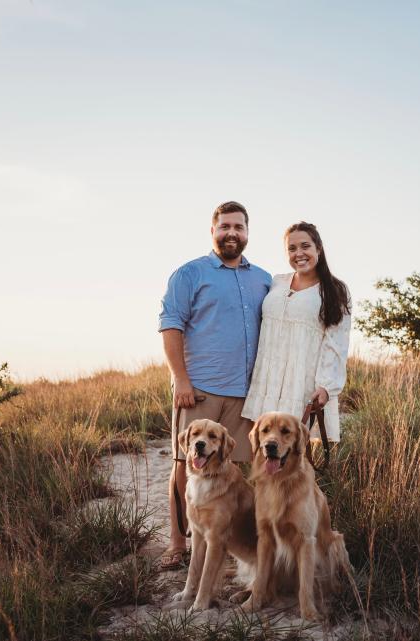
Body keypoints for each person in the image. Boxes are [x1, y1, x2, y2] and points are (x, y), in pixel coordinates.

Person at [157, 201, 272, 570]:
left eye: (238, 227)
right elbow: (171, 325)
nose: (231, 233)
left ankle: (227, 544)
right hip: (200, 388)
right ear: (213, 231)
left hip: (245, 392)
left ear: (247, 233)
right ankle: (178, 543)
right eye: (225, 226)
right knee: (184, 464)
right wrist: (181, 379)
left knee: (235, 469)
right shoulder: (191, 273)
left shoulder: (263, 279)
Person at [242, 221, 352, 444]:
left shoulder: (335, 290)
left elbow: (336, 342)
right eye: (292, 249)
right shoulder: (277, 282)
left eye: (305, 246)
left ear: (318, 249)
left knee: (293, 455)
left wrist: (326, 386)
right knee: (263, 452)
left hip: (302, 382)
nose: (299, 254)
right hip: (267, 380)